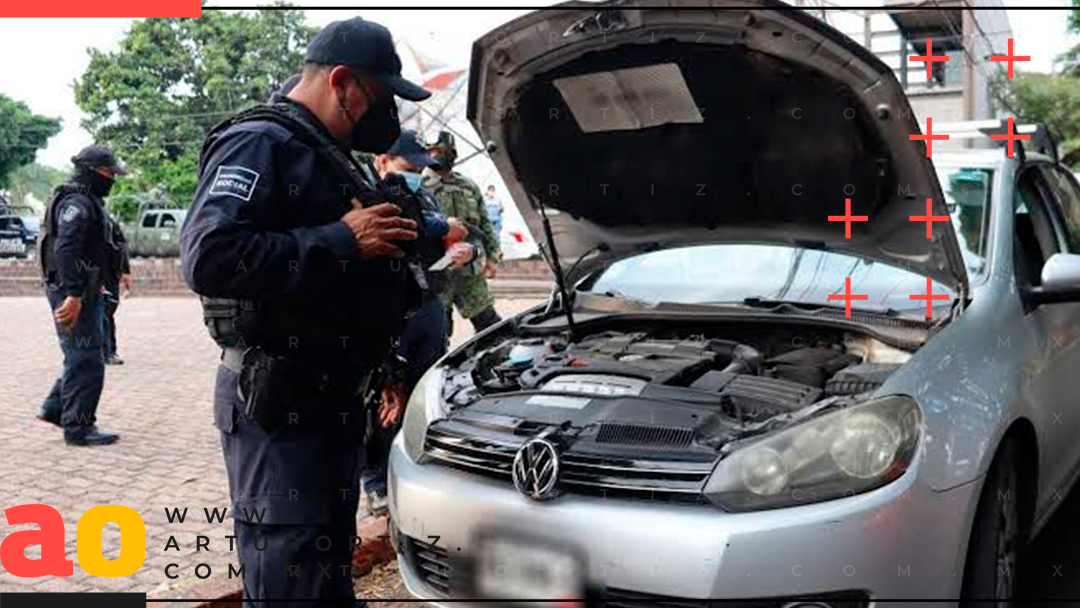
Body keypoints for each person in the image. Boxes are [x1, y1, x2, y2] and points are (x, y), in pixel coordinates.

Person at [179, 17, 430, 606]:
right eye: (381, 95)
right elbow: (209, 257)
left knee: (322, 566)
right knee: (290, 578)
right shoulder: (263, 142)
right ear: (342, 82)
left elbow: (345, 285)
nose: (387, 113)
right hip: (280, 406)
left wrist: (384, 361)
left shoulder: (330, 154)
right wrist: (340, 239)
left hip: (329, 401)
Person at [360, 131, 477, 514]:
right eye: (408, 168)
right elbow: (415, 226)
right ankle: (376, 480)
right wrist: (444, 228)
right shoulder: (364, 192)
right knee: (382, 399)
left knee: (422, 393)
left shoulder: (423, 192)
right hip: (388, 313)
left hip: (429, 304)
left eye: (419, 168)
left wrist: (466, 250)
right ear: (382, 161)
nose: (415, 175)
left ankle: (413, 469)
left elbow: (462, 231)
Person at [37, 145, 125, 447]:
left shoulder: (85, 201)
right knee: (86, 359)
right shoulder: (77, 204)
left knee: (82, 354)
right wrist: (74, 294)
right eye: (109, 173)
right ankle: (78, 428)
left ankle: (55, 407)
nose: (112, 178)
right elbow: (66, 249)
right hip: (72, 292)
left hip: (82, 289)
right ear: (92, 171)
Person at [428, 131, 504, 333]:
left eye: (447, 151)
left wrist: (492, 258)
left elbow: (485, 225)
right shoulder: (421, 185)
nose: (441, 155)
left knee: (491, 327)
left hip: (470, 273)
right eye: (436, 151)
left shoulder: (468, 186)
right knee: (439, 332)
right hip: (438, 272)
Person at [101, 213, 131, 365]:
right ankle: (103, 351)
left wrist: (125, 270)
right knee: (100, 313)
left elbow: (121, 244)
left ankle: (108, 351)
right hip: (92, 273)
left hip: (109, 273)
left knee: (108, 311)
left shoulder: (108, 220)